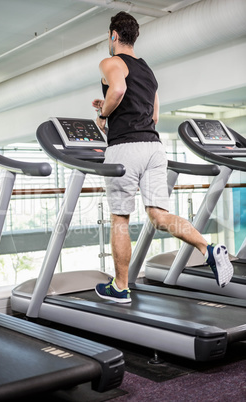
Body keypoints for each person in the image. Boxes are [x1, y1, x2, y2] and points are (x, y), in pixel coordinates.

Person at [92, 11, 233, 303]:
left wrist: (103, 114)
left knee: (120, 218)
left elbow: (118, 88)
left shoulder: (111, 62)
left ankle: (120, 287)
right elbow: (153, 114)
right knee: (159, 215)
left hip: (125, 147)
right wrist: (109, 105)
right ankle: (207, 249)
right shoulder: (147, 70)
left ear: (113, 35)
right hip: (154, 147)